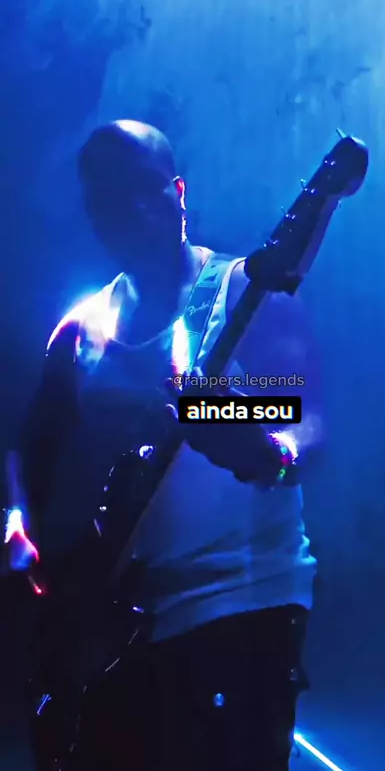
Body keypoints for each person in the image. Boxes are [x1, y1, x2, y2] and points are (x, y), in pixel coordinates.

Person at [5, 120, 323, 771]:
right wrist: (15, 527)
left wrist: (247, 435)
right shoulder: (82, 330)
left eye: (146, 189)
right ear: (94, 214)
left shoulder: (246, 293)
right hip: (116, 621)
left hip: (244, 604)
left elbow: (304, 418)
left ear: (178, 191)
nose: (134, 209)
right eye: (111, 197)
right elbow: (28, 449)